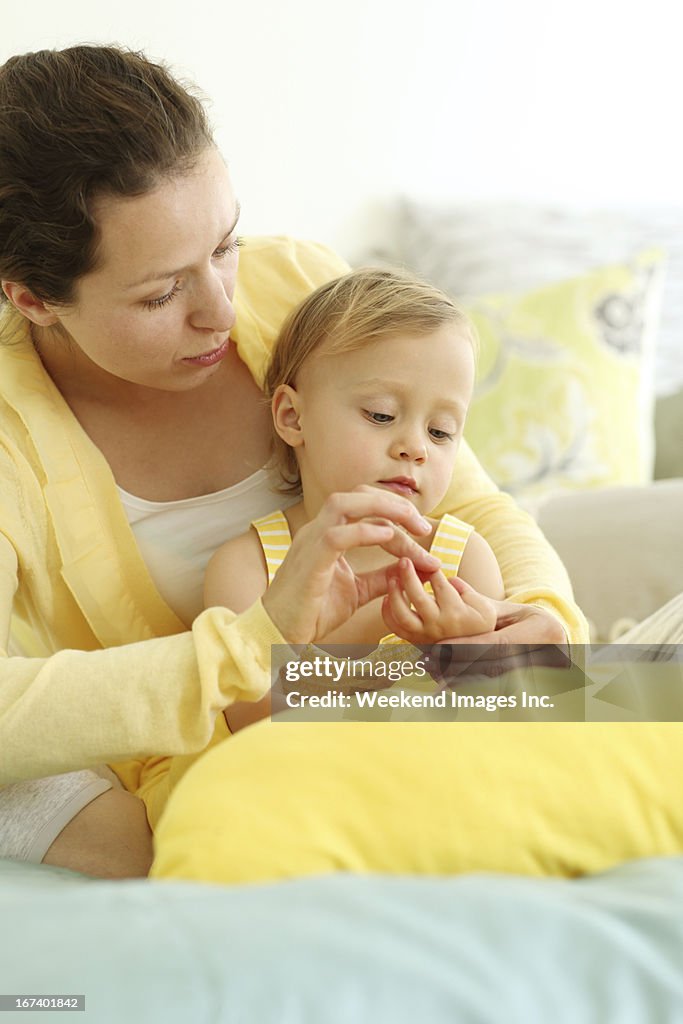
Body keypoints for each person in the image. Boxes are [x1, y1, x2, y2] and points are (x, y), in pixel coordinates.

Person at [0, 44, 587, 880]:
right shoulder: (12, 439)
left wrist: (537, 617)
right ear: (31, 297)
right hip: (221, 752)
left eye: (225, 243)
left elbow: (473, 505)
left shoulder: (300, 288)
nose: (220, 308)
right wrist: (252, 646)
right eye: (161, 293)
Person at [205, 266, 504, 654]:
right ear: (293, 417)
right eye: (381, 415)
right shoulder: (249, 568)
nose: (416, 448)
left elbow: (504, 707)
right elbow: (249, 712)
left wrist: (467, 656)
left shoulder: (463, 561)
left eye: (440, 432)